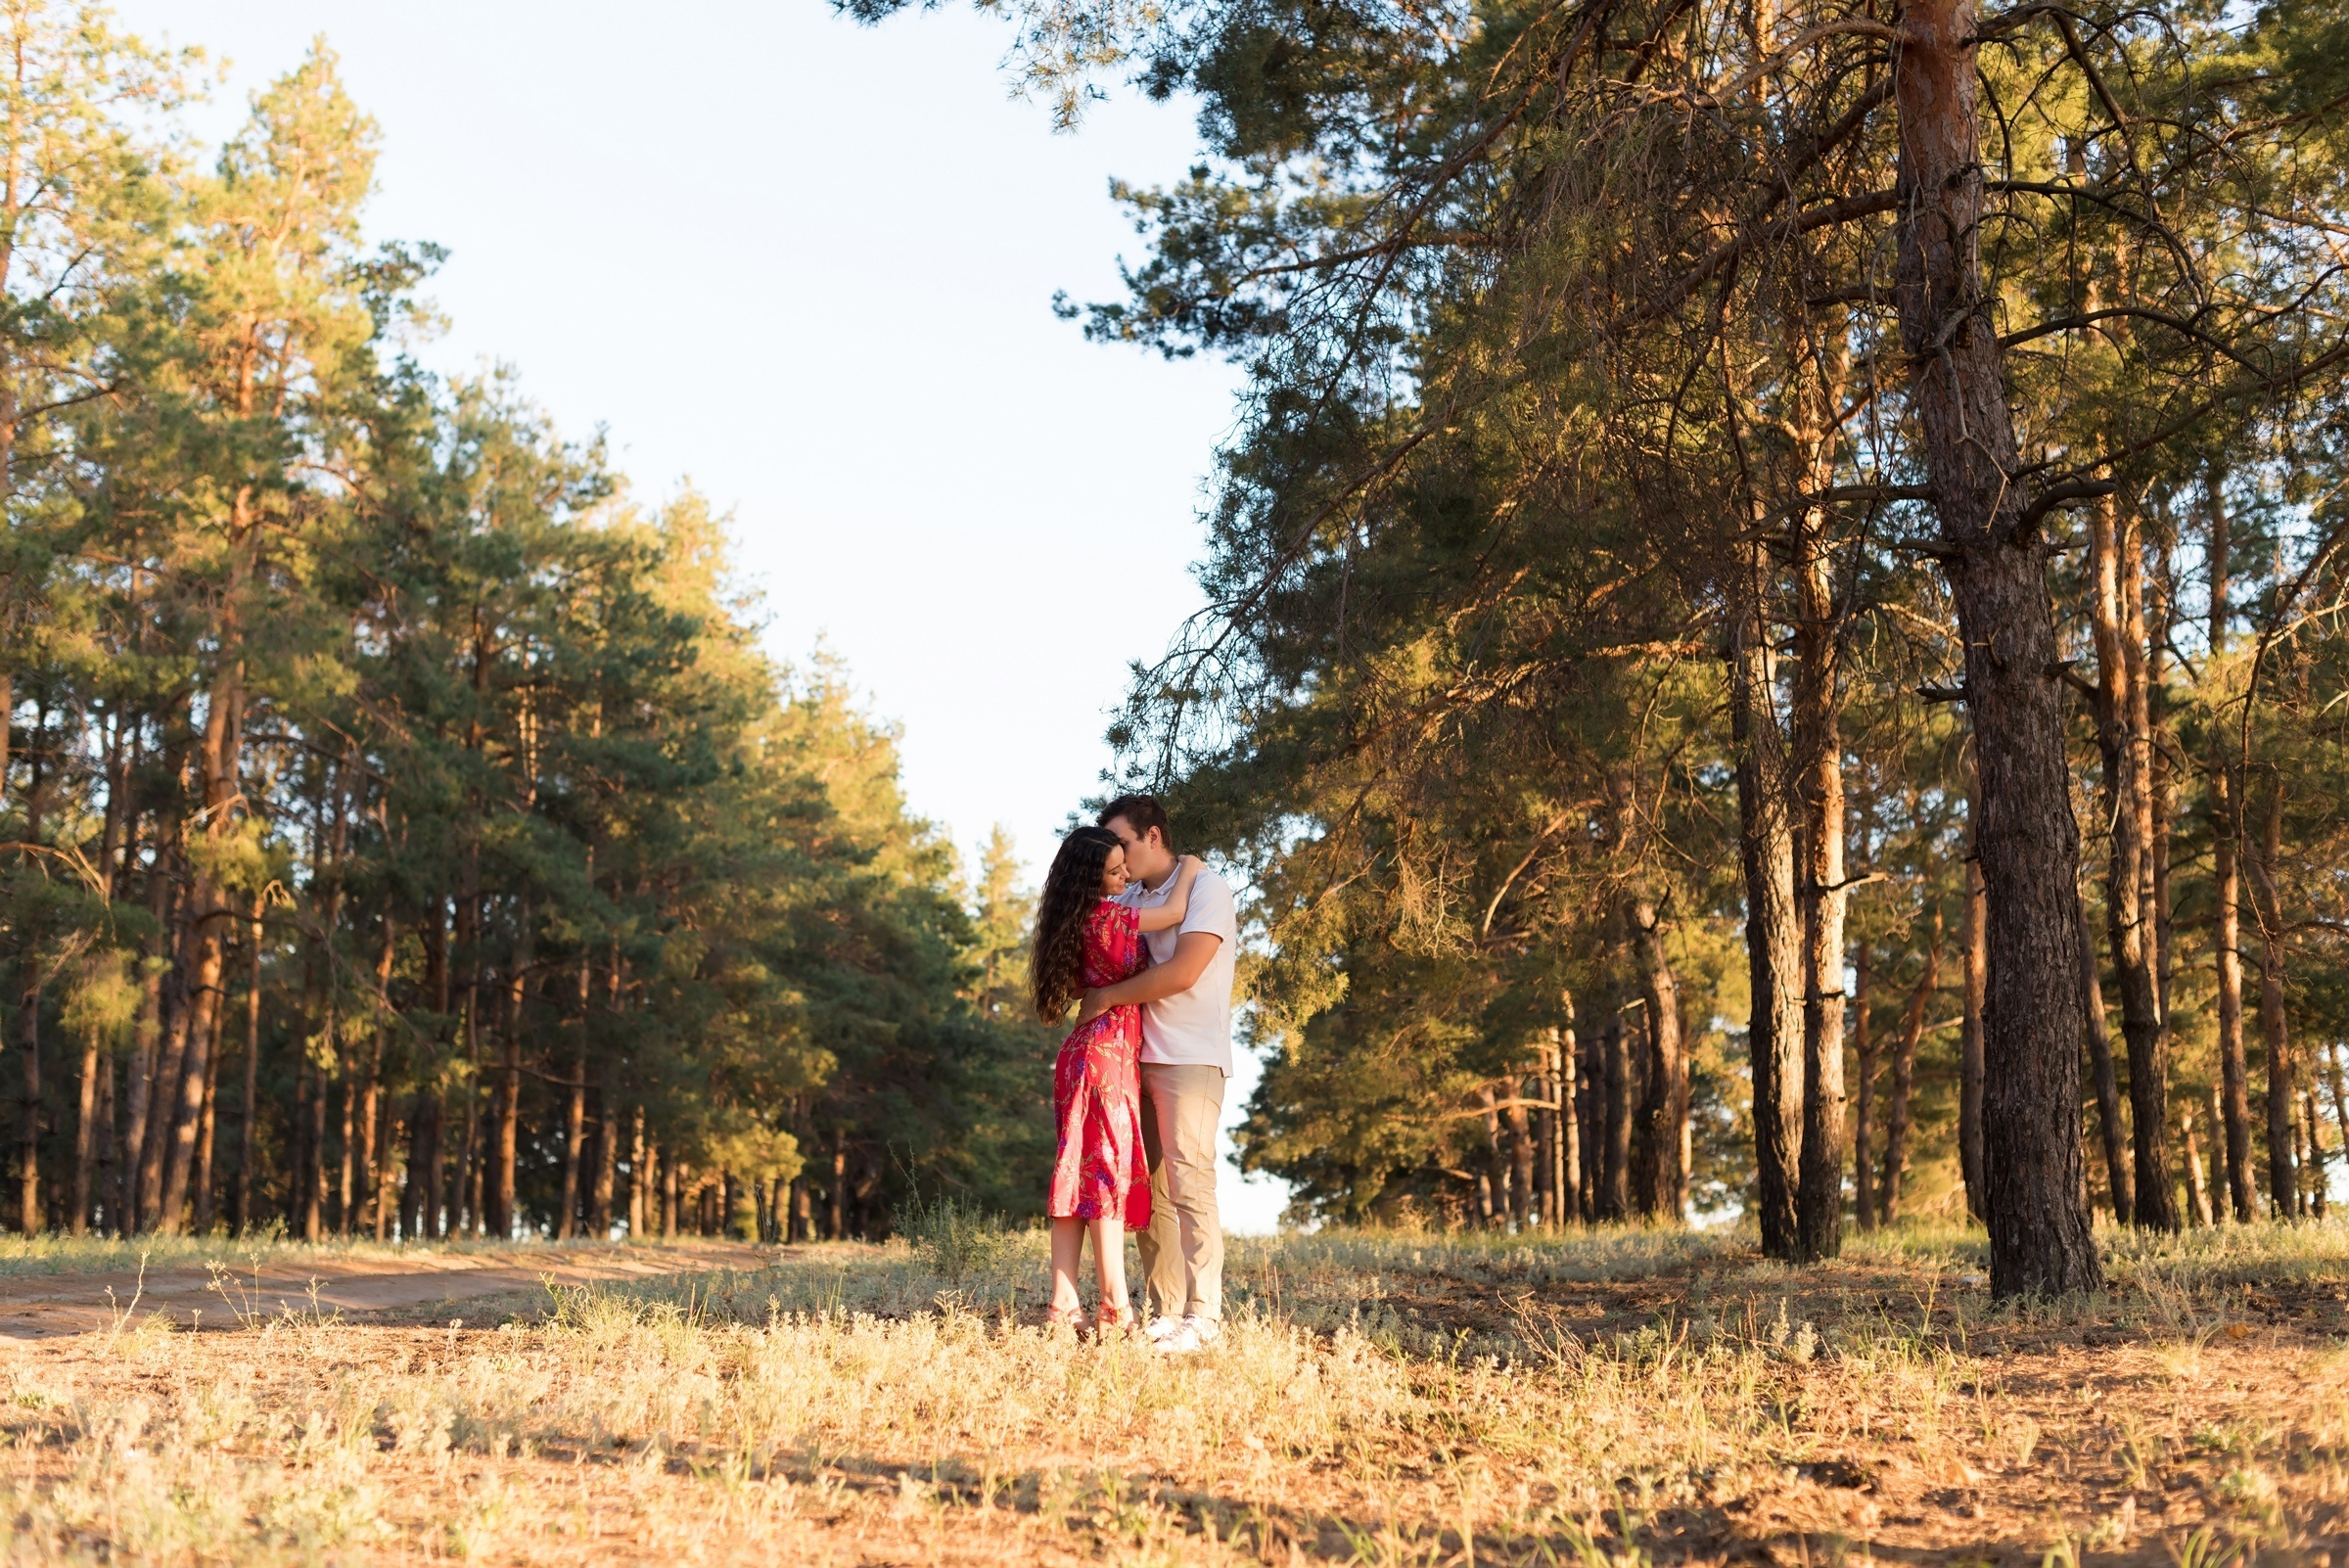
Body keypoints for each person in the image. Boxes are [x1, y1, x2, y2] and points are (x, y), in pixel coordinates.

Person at [1078, 794, 1238, 1356]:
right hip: (1132, 1057)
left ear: (1152, 836)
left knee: (1191, 1183)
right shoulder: (1128, 897)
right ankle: (1166, 1312)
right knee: (1149, 1191)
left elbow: (1185, 971)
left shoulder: (1208, 889)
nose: (1116, 855)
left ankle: (1204, 1316)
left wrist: (1106, 998)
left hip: (1189, 1058)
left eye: (1122, 842)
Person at [1029, 823, 1204, 1335]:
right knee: (1104, 1176)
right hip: (1106, 1057)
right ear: (1091, 879)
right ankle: (1114, 1307)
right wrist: (1189, 866)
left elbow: (1081, 984)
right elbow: (1175, 912)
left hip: (1081, 1055)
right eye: (1113, 870)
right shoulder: (1109, 916)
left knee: (1077, 1176)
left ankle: (1064, 1308)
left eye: (1124, 865)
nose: (1125, 874)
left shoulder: (1071, 923)